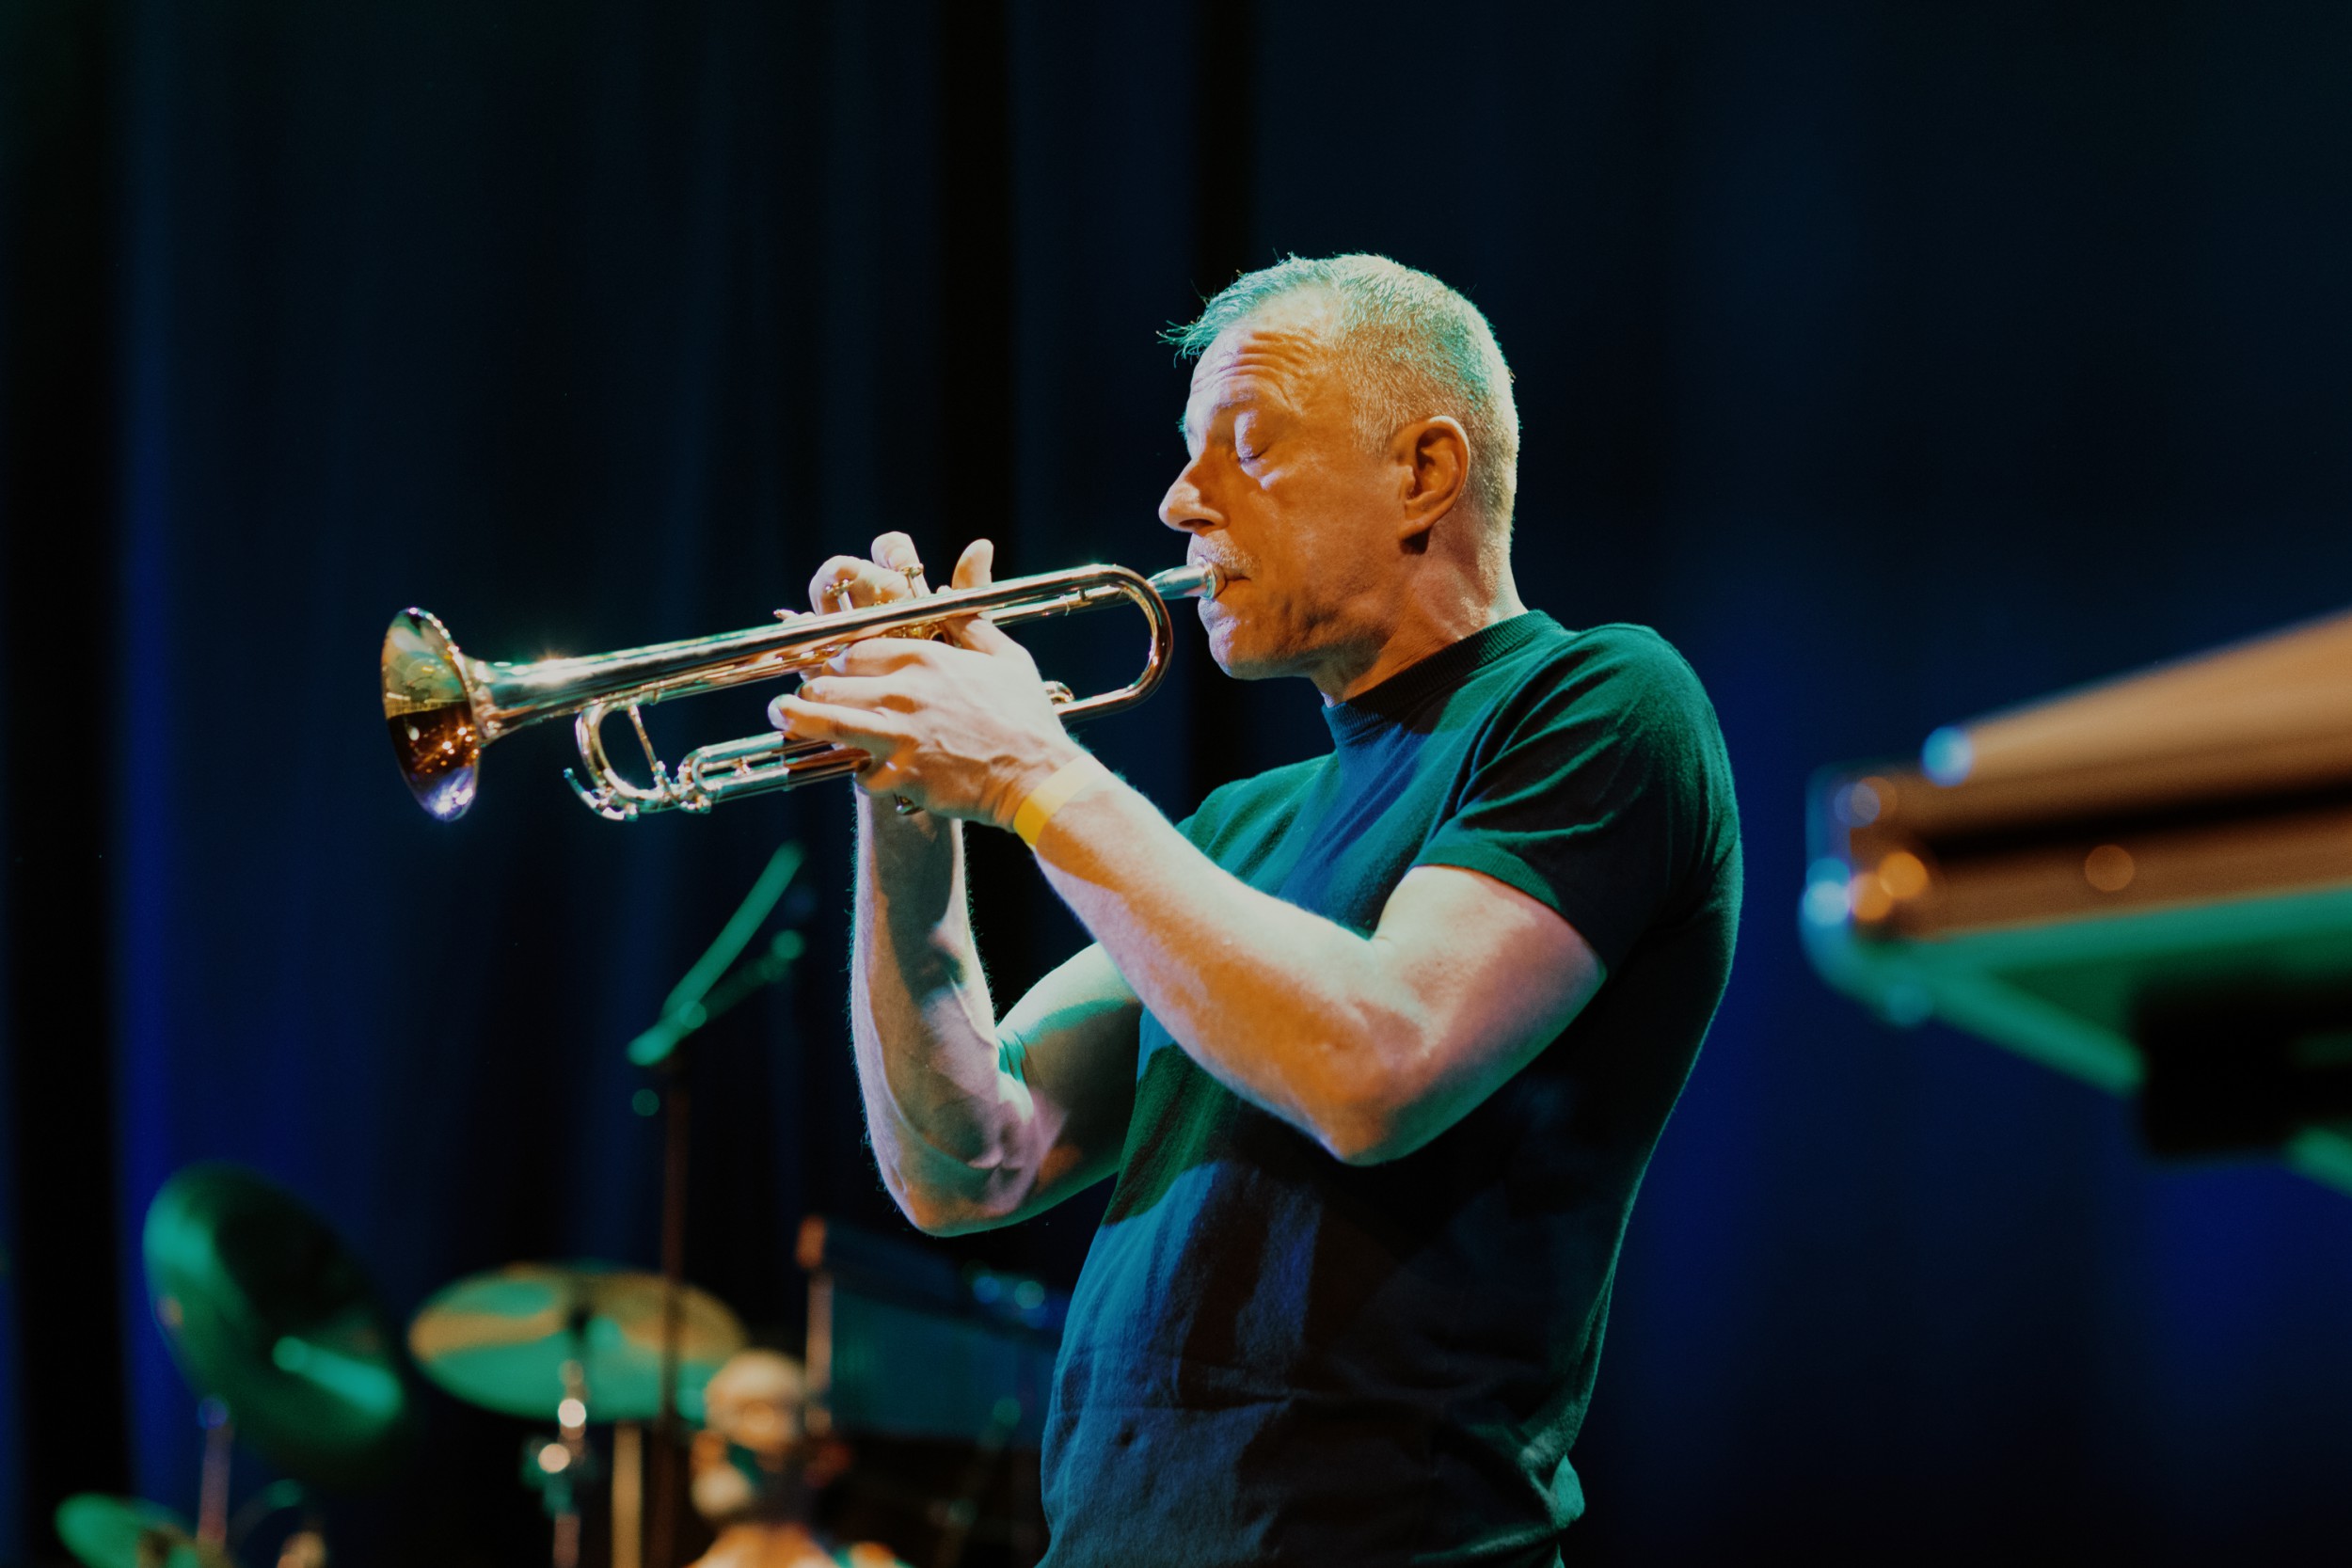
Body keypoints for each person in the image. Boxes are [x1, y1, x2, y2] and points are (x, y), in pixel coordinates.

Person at [770, 254, 1740, 1567]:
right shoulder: (1235, 830)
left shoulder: (1602, 703)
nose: (1180, 500)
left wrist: (1028, 769)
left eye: (1245, 445)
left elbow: (1377, 1063)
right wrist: (904, 793)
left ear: (1425, 472)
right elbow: (967, 1163)